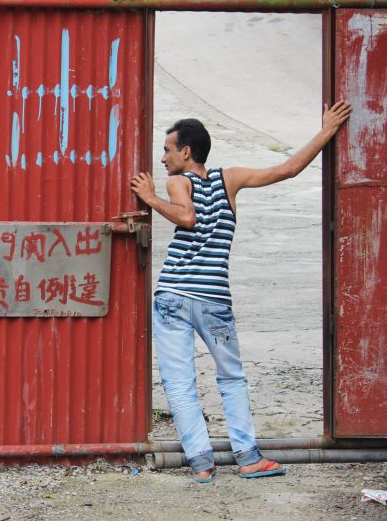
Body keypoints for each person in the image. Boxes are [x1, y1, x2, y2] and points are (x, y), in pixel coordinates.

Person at [129, 100, 352, 483]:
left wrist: (150, 199)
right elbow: (288, 168)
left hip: (173, 299)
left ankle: (201, 465)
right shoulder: (229, 179)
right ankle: (248, 459)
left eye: (167, 150)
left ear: (186, 151)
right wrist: (327, 130)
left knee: (179, 382)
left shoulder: (176, 182)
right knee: (231, 378)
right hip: (214, 300)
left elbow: (186, 217)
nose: (163, 159)